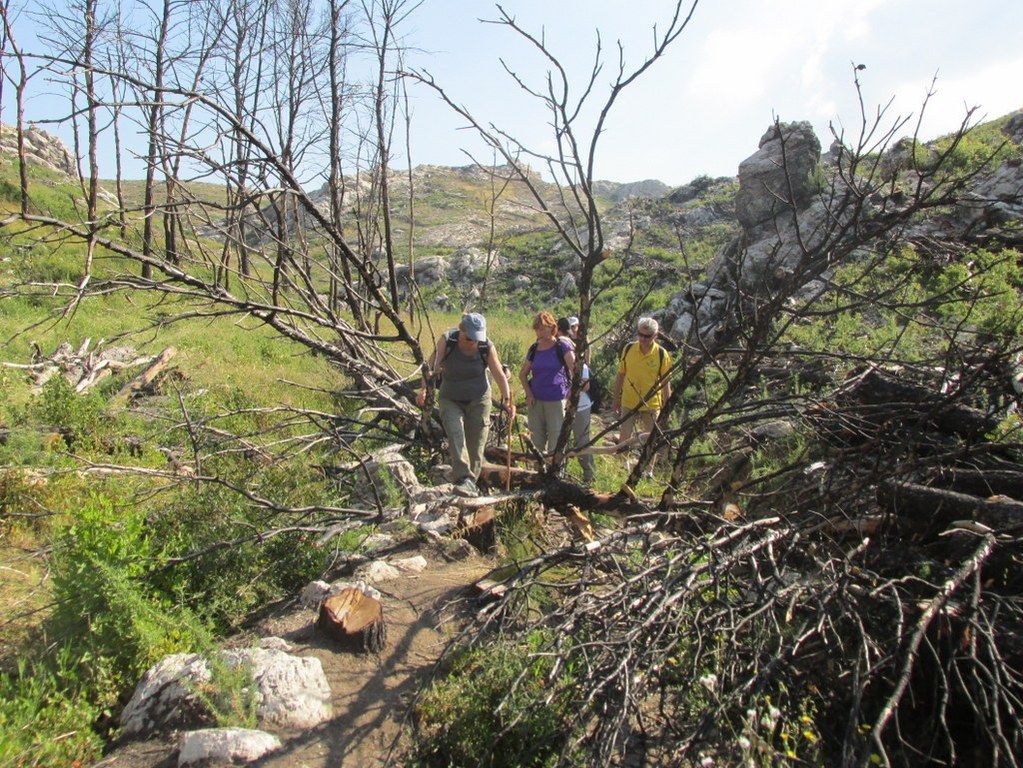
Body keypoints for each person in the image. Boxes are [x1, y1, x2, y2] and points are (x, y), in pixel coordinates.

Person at [421, 312, 514, 497]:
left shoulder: (486, 346)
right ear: (461, 331)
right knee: (455, 434)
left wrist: (507, 400)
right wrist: (424, 389)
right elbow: (431, 367)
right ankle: (463, 478)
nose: (473, 341)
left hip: (479, 399)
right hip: (450, 397)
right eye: (469, 337)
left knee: (477, 444)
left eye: (476, 337)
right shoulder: (448, 341)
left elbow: (498, 374)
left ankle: (471, 482)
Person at [612, 316, 671, 454]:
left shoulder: (662, 354)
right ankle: (622, 467)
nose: (643, 339)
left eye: (647, 336)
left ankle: (648, 470)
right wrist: (616, 399)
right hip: (629, 401)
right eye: (640, 334)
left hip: (652, 404)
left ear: (655, 336)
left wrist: (667, 406)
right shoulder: (628, 349)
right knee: (624, 437)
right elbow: (621, 375)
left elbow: (666, 383)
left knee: (650, 440)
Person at [519, 311, 575, 455]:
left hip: (556, 400)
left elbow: (576, 370)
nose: (540, 333)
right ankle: (537, 473)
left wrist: (572, 393)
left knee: (556, 441)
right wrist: (529, 394)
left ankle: (554, 473)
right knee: (536, 441)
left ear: (552, 328)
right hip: (536, 401)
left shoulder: (561, 346)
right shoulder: (534, 349)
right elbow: (523, 374)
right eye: (537, 329)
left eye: (543, 328)